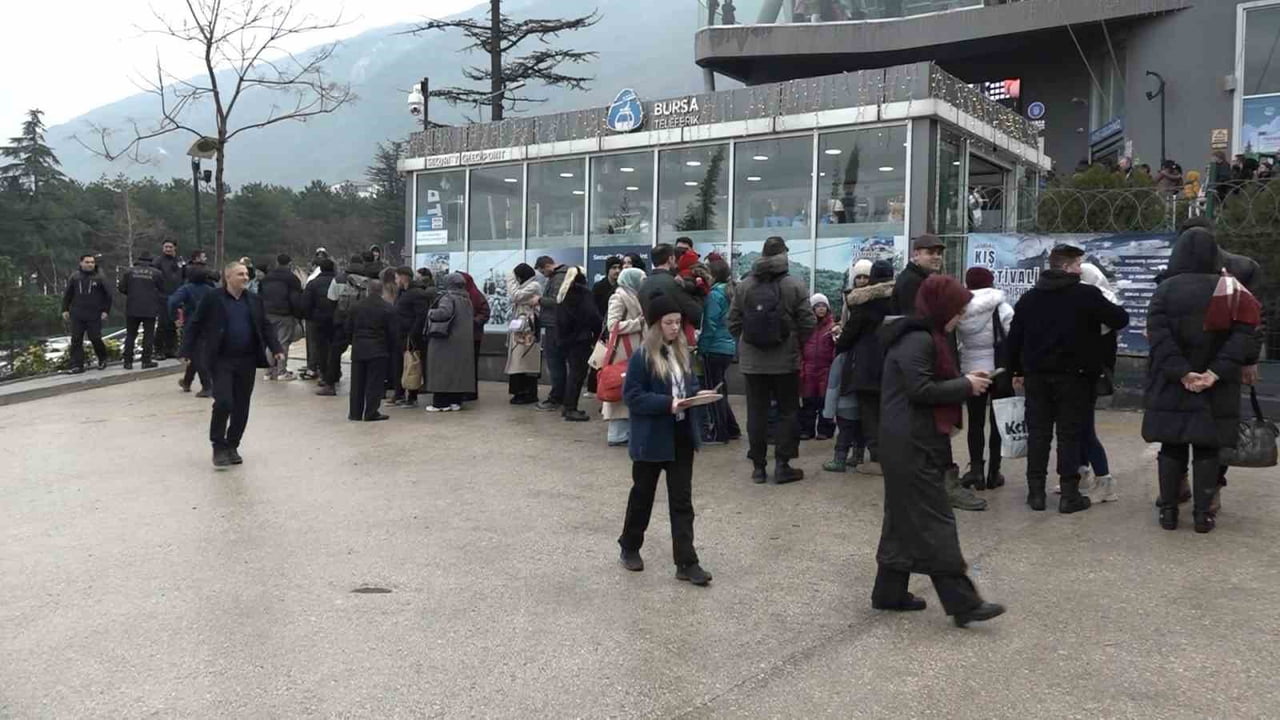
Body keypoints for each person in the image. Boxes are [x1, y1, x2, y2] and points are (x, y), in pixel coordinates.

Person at [872, 273, 1005, 628]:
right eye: (958, 310)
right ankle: (963, 603)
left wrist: (966, 380)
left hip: (905, 440)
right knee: (936, 522)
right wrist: (965, 385)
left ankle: (888, 593)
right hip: (912, 442)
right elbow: (920, 390)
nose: (961, 317)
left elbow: (925, 384)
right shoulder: (919, 340)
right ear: (942, 307)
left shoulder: (920, 336)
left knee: (902, 519)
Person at [1143, 228, 1257, 533]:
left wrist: (1181, 372)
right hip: (1216, 386)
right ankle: (1202, 515)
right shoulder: (1231, 289)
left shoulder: (1165, 290)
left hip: (1172, 382)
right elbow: (1243, 335)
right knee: (1208, 448)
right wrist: (1214, 373)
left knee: (1171, 447)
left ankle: (1168, 512)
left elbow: (1158, 336)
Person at [1007, 244, 1130, 513]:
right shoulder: (1087, 295)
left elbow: (1014, 339)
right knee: (1069, 435)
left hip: (1037, 378)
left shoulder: (1029, 299)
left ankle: (1036, 493)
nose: (1080, 270)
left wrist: (1016, 371)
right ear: (1065, 267)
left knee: (1038, 435)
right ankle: (1069, 494)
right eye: (1077, 265)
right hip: (1076, 379)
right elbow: (1120, 319)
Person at [617, 292, 715, 587]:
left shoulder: (684, 353)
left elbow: (690, 385)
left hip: (681, 436)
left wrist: (697, 396)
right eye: (669, 323)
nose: (675, 328)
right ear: (656, 325)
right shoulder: (642, 357)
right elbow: (632, 396)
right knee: (642, 496)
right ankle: (629, 546)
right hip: (651, 439)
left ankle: (687, 562)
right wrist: (667, 404)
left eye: (677, 322)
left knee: (682, 502)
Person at [727, 236, 817, 484]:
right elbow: (808, 322)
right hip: (785, 362)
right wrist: (794, 343)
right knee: (788, 412)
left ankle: (758, 467)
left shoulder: (744, 286)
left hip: (753, 364)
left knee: (756, 412)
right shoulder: (795, 285)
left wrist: (747, 343)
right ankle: (783, 465)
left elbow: (732, 321)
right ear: (783, 255)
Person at [180, 261, 285, 468]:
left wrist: (276, 348)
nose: (245, 278)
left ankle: (232, 445)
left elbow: (265, 326)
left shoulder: (254, 300)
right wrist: (186, 350)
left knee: (241, 406)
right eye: (240, 274)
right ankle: (218, 445)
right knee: (224, 402)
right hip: (221, 359)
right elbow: (196, 323)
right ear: (228, 277)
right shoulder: (213, 298)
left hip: (246, 359)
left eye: (246, 274)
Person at [955, 266, 1013, 491]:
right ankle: (994, 473)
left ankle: (976, 471)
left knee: (975, 422)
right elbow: (1013, 336)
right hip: (999, 370)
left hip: (971, 370)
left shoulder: (960, 309)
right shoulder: (1002, 307)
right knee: (998, 422)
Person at [836, 259, 895, 475]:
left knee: (869, 412)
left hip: (866, 364)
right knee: (889, 411)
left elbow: (850, 332)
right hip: (893, 362)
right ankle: (892, 454)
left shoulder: (863, 301)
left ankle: (877, 457)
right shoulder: (901, 298)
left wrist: (839, 346)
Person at [1074, 263, 1121, 502]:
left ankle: (1105, 480)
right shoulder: (1099, 302)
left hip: (1089, 374)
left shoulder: (1102, 305)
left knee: (1085, 427)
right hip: (1083, 373)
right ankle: (1082, 473)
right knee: (1079, 426)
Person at [696, 253, 741, 445]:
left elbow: (710, 324)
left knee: (712, 391)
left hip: (713, 348)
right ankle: (731, 428)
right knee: (721, 388)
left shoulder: (714, 295)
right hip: (728, 347)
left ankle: (719, 432)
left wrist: (701, 348)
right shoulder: (731, 292)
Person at [602, 267, 646, 444]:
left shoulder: (635, 295)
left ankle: (626, 432)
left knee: (630, 389)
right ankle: (617, 434)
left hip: (635, 348)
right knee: (618, 388)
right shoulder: (619, 296)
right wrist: (637, 323)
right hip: (622, 350)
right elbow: (612, 325)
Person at [345, 279, 398, 422]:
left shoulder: (356, 307)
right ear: (382, 291)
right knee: (374, 382)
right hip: (378, 350)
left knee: (357, 383)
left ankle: (355, 413)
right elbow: (392, 332)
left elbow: (348, 329)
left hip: (358, 349)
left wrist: (354, 341)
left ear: (368, 290)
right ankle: (371, 412)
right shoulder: (387, 308)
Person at [318, 255, 372, 395]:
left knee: (335, 353)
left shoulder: (338, 279)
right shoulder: (369, 280)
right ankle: (365, 384)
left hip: (342, 323)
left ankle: (330, 384)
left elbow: (331, 301)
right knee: (365, 354)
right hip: (363, 324)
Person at [556, 267, 603, 422]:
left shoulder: (564, 293)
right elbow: (593, 316)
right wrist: (598, 334)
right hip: (581, 340)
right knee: (577, 374)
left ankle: (567, 407)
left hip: (567, 340)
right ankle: (570, 408)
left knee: (573, 374)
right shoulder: (583, 294)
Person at [425, 273, 476, 412]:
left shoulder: (448, 297)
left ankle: (440, 403)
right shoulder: (467, 299)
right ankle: (455, 401)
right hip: (462, 342)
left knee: (441, 370)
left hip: (446, 340)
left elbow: (444, 313)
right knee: (457, 371)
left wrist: (430, 312)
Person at [391, 266, 434, 409]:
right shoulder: (402, 293)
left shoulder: (416, 293)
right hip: (400, 334)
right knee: (400, 365)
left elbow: (420, 316)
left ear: (404, 277)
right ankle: (399, 394)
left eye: (397, 277)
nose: (395, 280)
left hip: (411, 337)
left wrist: (412, 334)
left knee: (412, 365)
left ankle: (412, 396)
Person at [61, 254, 112, 374]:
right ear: (81, 263)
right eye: (87, 262)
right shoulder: (75, 277)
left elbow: (108, 296)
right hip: (77, 313)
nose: (90, 264)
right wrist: (65, 309)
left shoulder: (99, 277)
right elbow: (68, 294)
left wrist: (105, 311)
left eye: (92, 262)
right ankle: (77, 365)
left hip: (94, 313)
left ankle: (103, 358)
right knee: (76, 339)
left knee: (95, 337)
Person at [168, 268, 215, 396]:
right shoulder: (211, 290)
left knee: (197, 354)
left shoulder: (186, 289)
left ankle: (207, 386)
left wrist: (174, 317)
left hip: (192, 324)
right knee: (196, 353)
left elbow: (172, 301)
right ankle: (187, 381)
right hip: (210, 325)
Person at [534, 256, 571, 412]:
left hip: (555, 325)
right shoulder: (564, 275)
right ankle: (561, 395)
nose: (543, 274)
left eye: (543, 271)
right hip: (560, 325)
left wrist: (539, 300)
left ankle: (556, 397)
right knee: (559, 363)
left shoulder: (558, 278)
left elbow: (557, 300)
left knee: (555, 363)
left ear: (548, 266)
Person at [259, 254, 303, 380]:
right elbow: (295, 299)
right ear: (289, 264)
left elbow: (260, 295)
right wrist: (298, 315)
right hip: (285, 314)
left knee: (270, 342)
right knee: (283, 342)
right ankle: (281, 371)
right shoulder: (292, 278)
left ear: (277, 262)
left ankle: (269, 371)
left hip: (267, 313)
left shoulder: (267, 278)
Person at [799, 293, 837, 440]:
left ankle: (825, 430)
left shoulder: (832, 327)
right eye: (817, 306)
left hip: (825, 369)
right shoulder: (806, 327)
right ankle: (806, 429)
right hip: (808, 369)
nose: (821, 309)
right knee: (808, 401)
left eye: (823, 306)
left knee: (824, 402)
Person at [117, 252, 165, 370]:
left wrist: (132, 294)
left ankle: (127, 362)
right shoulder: (157, 273)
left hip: (132, 307)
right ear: (151, 261)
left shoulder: (129, 272)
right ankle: (146, 361)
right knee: (148, 335)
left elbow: (122, 288)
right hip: (150, 308)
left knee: (131, 335)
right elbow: (162, 289)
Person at [638, 244, 703, 329]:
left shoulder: (643, 284)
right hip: (673, 335)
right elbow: (695, 312)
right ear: (671, 258)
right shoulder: (673, 282)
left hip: (652, 334)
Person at [505, 264, 543, 405]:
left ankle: (527, 392)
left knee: (524, 360)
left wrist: (510, 279)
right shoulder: (528, 285)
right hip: (521, 328)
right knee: (518, 360)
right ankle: (519, 391)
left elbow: (516, 296)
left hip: (528, 329)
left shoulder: (533, 286)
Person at [301, 258, 338, 389]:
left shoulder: (313, 283)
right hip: (336, 320)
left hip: (319, 321)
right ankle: (335, 373)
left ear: (320, 269)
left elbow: (305, 304)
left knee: (322, 349)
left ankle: (324, 375)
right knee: (335, 348)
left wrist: (310, 317)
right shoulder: (339, 282)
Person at [590, 256, 623, 396]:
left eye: (619, 268)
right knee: (598, 357)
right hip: (601, 328)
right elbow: (593, 307)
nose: (617, 271)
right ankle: (593, 387)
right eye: (614, 268)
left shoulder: (621, 286)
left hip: (616, 328)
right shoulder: (599, 286)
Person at [893, 235, 945, 315]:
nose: (937, 257)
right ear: (916, 255)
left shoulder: (919, 277)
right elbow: (914, 318)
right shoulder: (911, 281)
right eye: (930, 253)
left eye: (939, 253)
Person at [460, 272, 491, 403]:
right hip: (460, 337)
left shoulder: (476, 295)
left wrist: (472, 322)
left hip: (473, 336)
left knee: (471, 366)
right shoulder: (459, 295)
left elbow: (485, 312)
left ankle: (471, 392)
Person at [154, 240, 184, 358]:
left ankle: (171, 349)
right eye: (165, 247)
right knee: (162, 324)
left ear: (175, 248)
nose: (167, 249)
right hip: (162, 296)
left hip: (177, 296)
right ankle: (158, 350)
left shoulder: (180, 261)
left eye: (170, 247)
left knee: (173, 323)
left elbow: (184, 275)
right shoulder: (158, 261)